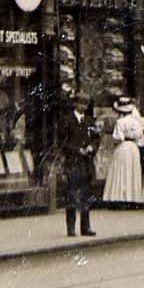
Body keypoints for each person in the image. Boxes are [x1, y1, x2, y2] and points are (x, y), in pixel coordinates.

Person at [57, 98, 100, 237]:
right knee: (71, 194)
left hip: (86, 162)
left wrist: (91, 147)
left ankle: (85, 226)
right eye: (81, 103)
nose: (83, 106)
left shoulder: (89, 121)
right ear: (75, 104)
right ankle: (70, 227)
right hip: (73, 162)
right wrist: (77, 150)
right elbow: (62, 142)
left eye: (86, 104)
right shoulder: (67, 120)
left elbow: (96, 138)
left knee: (86, 195)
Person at [103, 96, 144, 207]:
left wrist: (112, 141)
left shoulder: (120, 122)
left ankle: (119, 197)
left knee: (121, 171)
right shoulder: (137, 122)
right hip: (134, 148)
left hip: (123, 146)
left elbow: (118, 138)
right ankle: (132, 198)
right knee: (132, 171)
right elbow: (141, 138)